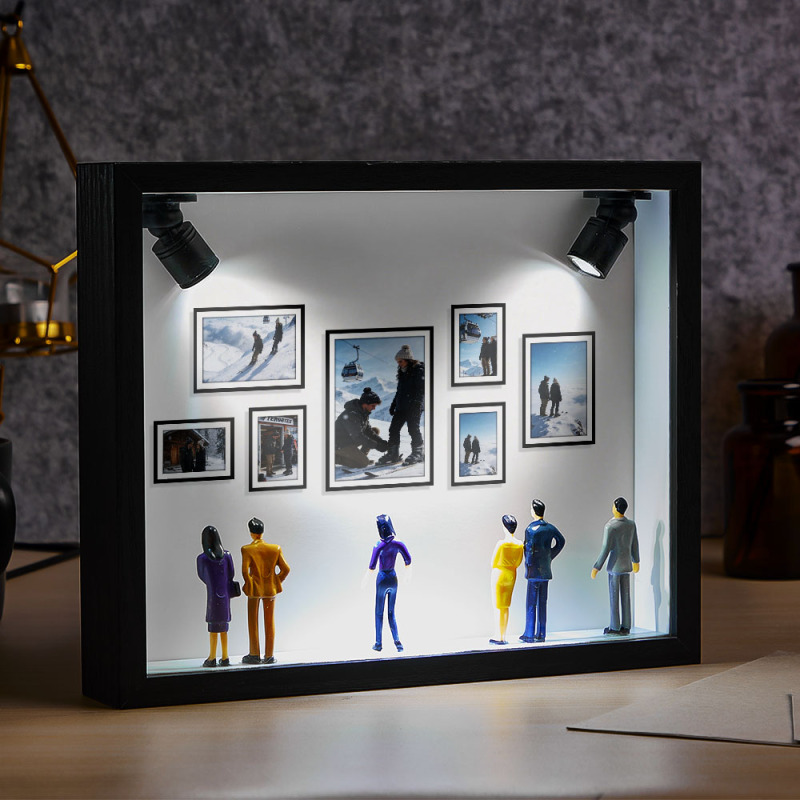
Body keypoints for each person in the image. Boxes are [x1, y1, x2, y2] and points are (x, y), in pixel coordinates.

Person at [241, 517, 290, 664]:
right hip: (270, 589)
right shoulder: (275, 549)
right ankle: (269, 655)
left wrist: (249, 584)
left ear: (251, 533)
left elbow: (245, 571)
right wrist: (275, 581)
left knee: (252, 621)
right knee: (270, 622)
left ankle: (254, 654)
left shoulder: (247, 549)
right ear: (262, 532)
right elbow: (286, 569)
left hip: (254, 590)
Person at [591, 497, 640, 635]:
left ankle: (615, 626)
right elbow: (635, 544)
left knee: (614, 598)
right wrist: (636, 561)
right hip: (627, 566)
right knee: (626, 596)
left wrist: (597, 566)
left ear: (615, 508)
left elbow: (606, 548)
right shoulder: (631, 525)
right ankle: (626, 625)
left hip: (614, 567)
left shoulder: (610, 526)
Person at [520, 498, 565, 643]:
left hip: (533, 571)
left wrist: (528, 565)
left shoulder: (530, 529)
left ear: (534, 511)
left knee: (531, 603)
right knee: (542, 603)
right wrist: (549, 555)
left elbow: (529, 550)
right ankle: (541, 633)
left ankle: (529, 633)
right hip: (545, 570)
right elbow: (561, 541)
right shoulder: (550, 528)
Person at [367, 514, 412, 652]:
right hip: (393, 578)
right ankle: (398, 642)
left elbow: (372, 566)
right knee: (391, 612)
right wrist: (407, 575)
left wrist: (366, 578)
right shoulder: (398, 543)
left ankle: (378, 643)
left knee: (379, 612)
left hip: (382, 578)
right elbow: (408, 560)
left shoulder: (378, 545)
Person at [196, 525, 239, 667]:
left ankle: (212, 656)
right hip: (225, 595)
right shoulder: (227, 556)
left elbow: (202, 576)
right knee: (224, 627)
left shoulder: (202, 559)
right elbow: (231, 573)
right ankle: (225, 656)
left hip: (212, 596)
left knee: (213, 627)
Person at [377, 344, 425, 466]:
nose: (399, 363)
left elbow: (421, 389)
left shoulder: (418, 370)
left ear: (408, 359)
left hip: (414, 405)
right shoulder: (402, 372)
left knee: (413, 428)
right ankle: (393, 454)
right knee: (393, 429)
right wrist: (394, 404)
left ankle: (418, 452)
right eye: (397, 361)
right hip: (401, 406)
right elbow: (399, 391)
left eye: (400, 361)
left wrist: (417, 404)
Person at [334, 386, 389, 468]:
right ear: (365, 404)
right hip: (339, 444)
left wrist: (381, 442)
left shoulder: (363, 412)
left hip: (349, 439)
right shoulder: (352, 414)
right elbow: (358, 436)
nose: (374, 408)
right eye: (373, 405)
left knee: (375, 430)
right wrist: (377, 445)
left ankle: (360, 456)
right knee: (362, 463)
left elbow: (369, 431)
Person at [489, 515, 524, 645]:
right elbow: (519, 561)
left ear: (504, 527)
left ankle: (499, 635)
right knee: (506, 606)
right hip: (511, 574)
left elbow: (493, 562)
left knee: (498, 606)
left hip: (499, 573)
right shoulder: (519, 544)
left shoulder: (501, 544)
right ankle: (503, 634)